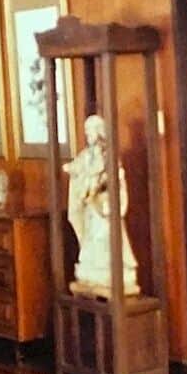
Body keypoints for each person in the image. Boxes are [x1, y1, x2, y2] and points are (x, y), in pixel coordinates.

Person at [63, 114, 139, 297]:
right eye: (87, 131)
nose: (88, 134)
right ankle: (94, 269)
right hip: (91, 204)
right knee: (91, 238)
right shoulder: (86, 156)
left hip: (104, 204)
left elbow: (115, 180)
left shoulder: (109, 157)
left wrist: (100, 185)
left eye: (91, 130)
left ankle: (111, 268)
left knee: (105, 236)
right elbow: (76, 169)